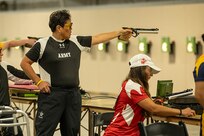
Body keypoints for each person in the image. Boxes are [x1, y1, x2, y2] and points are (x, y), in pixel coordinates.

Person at [20, 9, 132, 136]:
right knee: (44, 132)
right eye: (69, 26)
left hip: (73, 96)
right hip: (52, 96)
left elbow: (97, 38)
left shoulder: (76, 41)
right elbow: (25, 63)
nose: (72, 28)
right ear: (59, 28)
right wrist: (38, 81)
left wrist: (118, 33)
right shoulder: (42, 44)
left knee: (72, 132)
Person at [104, 54, 196, 136]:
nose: (151, 74)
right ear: (141, 69)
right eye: (150, 70)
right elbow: (154, 109)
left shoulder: (130, 84)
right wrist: (182, 111)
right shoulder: (133, 86)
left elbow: (144, 106)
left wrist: (152, 103)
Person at [0, 38, 36, 136]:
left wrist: (39, 78)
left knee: (17, 133)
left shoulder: (3, 66)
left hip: (5, 112)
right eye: (0, 52)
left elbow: (20, 76)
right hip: (4, 113)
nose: (2, 54)